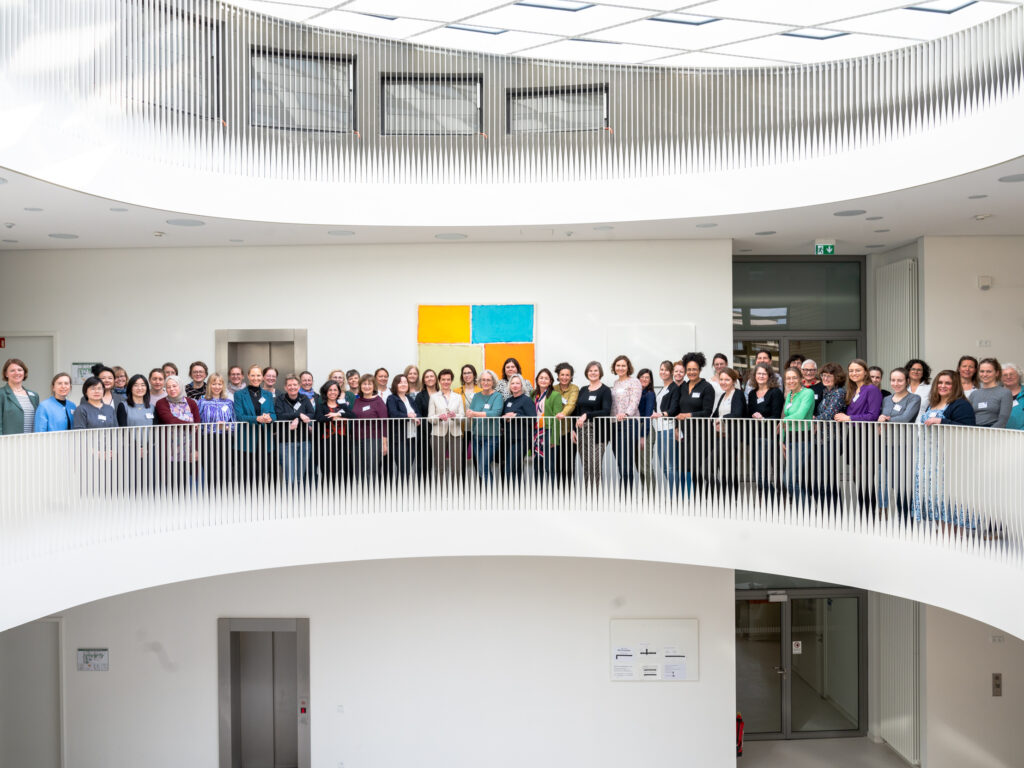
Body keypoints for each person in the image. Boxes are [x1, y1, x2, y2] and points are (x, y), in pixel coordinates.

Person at [913, 370, 976, 526]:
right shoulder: (932, 403)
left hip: (948, 458)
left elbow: (968, 429)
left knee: (949, 495)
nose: (943, 386)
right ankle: (940, 533)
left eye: (948, 383)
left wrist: (942, 422)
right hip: (928, 458)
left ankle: (954, 536)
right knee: (934, 495)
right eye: (940, 382)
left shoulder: (961, 404)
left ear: (955, 386)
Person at [877, 367, 921, 515]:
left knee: (903, 481)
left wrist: (885, 420)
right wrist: (882, 419)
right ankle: (892, 513)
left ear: (907, 381)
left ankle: (906, 516)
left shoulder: (914, 398)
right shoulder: (886, 399)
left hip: (904, 444)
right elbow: (882, 417)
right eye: (893, 380)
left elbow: (905, 418)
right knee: (889, 481)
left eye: (900, 380)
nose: (896, 383)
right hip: (886, 444)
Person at [674, 352, 716, 493]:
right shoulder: (683, 387)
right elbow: (678, 410)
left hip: (701, 435)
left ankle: (705, 498)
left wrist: (688, 415)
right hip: (686, 434)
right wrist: (676, 427)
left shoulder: (706, 387)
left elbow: (707, 412)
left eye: (694, 369)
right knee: (688, 468)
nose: (691, 372)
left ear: (700, 369)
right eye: (689, 369)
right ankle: (693, 498)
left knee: (699, 469)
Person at [233, 364, 277, 484]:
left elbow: (274, 414)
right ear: (248, 376)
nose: (255, 378)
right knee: (248, 473)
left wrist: (269, 418)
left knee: (263, 472)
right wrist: (257, 419)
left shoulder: (268, 394)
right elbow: (240, 416)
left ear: (262, 377)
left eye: (258, 375)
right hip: (247, 438)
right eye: (253, 375)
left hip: (265, 438)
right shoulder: (239, 394)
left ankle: (263, 495)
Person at [746, 362, 783, 498]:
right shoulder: (752, 394)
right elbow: (748, 414)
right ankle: (770, 497)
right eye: (759, 373)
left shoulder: (775, 392)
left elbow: (776, 415)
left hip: (769, 437)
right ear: (754, 376)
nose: (761, 376)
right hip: (755, 437)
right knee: (756, 470)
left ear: (769, 376)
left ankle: (773, 497)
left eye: (764, 374)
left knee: (764, 471)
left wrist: (763, 418)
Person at [572, 361, 612, 488]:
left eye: (595, 370)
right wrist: (573, 430)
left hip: (598, 432)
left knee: (594, 465)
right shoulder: (583, 389)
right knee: (586, 465)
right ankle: (588, 495)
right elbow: (577, 411)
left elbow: (606, 411)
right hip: (581, 431)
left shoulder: (605, 390)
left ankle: (596, 496)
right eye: (590, 371)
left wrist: (587, 415)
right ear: (586, 373)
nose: (593, 373)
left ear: (600, 373)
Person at [812, 362, 847, 507]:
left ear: (837, 377)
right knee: (821, 476)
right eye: (823, 375)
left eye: (829, 376)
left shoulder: (839, 392)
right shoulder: (826, 392)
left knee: (826, 476)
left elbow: (829, 414)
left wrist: (812, 420)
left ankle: (833, 509)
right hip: (820, 439)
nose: (825, 378)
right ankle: (827, 508)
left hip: (831, 439)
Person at [274, 375, 316, 486]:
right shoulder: (280, 399)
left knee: (300, 475)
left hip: (304, 442)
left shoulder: (304, 399)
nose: (292, 387)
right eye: (289, 385)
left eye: (295, 385)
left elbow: (311, 414)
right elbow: (279, 416)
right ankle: (289, 496)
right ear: (285, 387)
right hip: (286, 442)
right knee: (290, 476)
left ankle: (299, 496)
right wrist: (299, 415)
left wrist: (298, 418)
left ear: (299, 386)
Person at [608, 355, 642, 492]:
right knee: (620, 461)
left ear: (628, 367)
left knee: (626, 461)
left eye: (623, 365)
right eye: (618, 365)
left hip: (628, 423)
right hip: (614, 424)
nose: (620, 368)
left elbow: (635, 402)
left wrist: (626, 414)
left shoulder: (634, 382)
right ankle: (624, 493)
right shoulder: (616, 383)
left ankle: (627, 495)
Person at [781, 367, 815, 499]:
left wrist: (783, 421)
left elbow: (800, 415)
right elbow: (786, 419)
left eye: (794, 377)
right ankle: (804, 507)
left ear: (801, 379)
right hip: (790, 440)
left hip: (802, 440)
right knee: (792, 479)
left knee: (788, 479)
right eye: (788, 378)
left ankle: (806, 507)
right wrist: (782, 441)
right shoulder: (790, 395)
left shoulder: (808, 393)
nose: (791, 381)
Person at [197, 373, 236, 488]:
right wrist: (214, 427)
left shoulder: (229, 403)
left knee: (226, 468)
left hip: (226, 439)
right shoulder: (202, 402)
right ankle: (211, 495)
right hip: (208, 440)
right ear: (209, 385)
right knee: (210, 469)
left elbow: (235, 424)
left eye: (219, 384)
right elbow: (198, 423)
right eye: (214, 384)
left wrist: (226, 427)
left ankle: (225, 494)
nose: (217, 387)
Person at [711, 367, 746, 496]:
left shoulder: (738, 394)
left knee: (727, 470)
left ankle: (732, 499)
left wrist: (721, 419)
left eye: (727, 379)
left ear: (733, 381)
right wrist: (715, 422)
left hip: (731, 438)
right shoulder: (723, 395)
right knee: (724, 470)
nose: (723, 382)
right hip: (720, 437)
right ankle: (726, 498)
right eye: (721, 379)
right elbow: (715, 415)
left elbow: (737, 413)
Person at [428, 369, 465, 488]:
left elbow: (462, 416)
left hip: (456, 434)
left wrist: (455, 416)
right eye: (443, 379)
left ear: (451, 380)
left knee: (457, 465)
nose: (446, 382)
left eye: (448, 379)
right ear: (439, 381)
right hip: (438, 434)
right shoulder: (434, 397)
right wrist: (439, 417)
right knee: (439, 465)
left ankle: (456, 491)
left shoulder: (458, 397)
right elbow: (430, 418)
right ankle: (440, 491)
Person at [466, 369, 504, 484]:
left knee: (483, 465)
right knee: (481, 467)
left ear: (493, 382)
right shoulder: (477, 396)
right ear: (480, 382)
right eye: (483, 380)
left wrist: (475, 413)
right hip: (476, 436)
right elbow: (470, 412)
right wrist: (470, 413)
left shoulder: (497, 396)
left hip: (491, 437)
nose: (485, 382)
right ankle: (487, 492)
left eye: (488, 380)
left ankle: (490, 493)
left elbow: (495, 413)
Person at [314, 380, 353, 487]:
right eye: (330, 390)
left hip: (343, 442)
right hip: (326, 442)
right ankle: (327, 493)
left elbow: (352, 415)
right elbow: (319, 418)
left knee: (342, 468)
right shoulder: (321, 405)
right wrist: (332, 418)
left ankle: (342, 493)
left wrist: (338, 415)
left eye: (335, 390)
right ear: (326, 392)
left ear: (339, 392)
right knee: (327, 468)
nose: (332, 392)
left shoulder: (342, 406)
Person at [350, 373, 388, 484]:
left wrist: (384, 444)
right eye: (364, 384)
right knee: (358, 469)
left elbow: (384, 423)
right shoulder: (357, 401)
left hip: (373, 440)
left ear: (374, 386)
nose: (367, 386)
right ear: (360, 386)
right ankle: (360, 492)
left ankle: (372, 493)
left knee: (371, 470)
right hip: (356, 441)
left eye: (369, 384)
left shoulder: (378, 401)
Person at [651, 360, 680, 493]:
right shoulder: (663, 389)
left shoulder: (674, 388)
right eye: (661, 369)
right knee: (663, 465)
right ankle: (673, 493)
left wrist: (662, 414)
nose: (663, 372)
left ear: (671, 372)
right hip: (659, 429)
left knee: (670, 466)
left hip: (668, 428)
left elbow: (674, 408)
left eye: (666, 370)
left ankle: (675, 496)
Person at [550, 362, 579, 488]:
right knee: (556, 463)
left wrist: (563, 413)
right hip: (554, 431)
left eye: (567, 375)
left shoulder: (574, 388)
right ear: (558, 375)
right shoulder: (553, 388)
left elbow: (571, 404)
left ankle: (569, 491)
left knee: (568, 462)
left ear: (571, 376)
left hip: (568, 430)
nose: (564, 377)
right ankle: (558, 491)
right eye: (562, 374)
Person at [501, 374, 534, 485]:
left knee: (509, 467)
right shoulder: (508, 401)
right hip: (508, 439)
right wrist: (505, 418)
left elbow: (532, 419)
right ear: (509, 386)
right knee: (517, 468)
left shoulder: (526, 400)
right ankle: (519, 492)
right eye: (512, 383)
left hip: (521, 439)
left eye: (517, 383)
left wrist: (516, 416)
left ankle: (509, 492)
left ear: (522, 385)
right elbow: (503, 418)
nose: (515, 385)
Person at [386, 374, 420, 481]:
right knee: (403, 468)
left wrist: (417, 418)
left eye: (405, 382)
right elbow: (393, 414)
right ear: (395, 384)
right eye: (400, 382)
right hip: (399, 438)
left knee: (408, 468)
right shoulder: (392, 398)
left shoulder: (409, 399)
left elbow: (417, 413)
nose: (403, 384)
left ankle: (404, 489)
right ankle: (399, 490)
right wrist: (407, 415)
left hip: (412, 437)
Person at [1, 357, 40, 434]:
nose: (17, 373)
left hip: (31, 439)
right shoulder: (2, 394)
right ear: (6, 374)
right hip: (11, 440)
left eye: (20, 370)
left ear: (24, 373)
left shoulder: (34, 396)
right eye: (12, 370)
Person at [532, 368, 557, 483]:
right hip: (536, 433)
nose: (543, 380)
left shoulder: (555, 395)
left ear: (550, 381)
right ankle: (539, 490)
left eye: (546, 378)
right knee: (537, 463)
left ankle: (552, 490)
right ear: (537, 380)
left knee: (549, 464)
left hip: (548, 431)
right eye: (541, 378)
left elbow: (557, 417)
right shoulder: (533, 394)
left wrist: (554, 438)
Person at [971, 358, 1011, 428]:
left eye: (989, 371)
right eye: (982, 371)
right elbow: (969, 417)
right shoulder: (974, 394)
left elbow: (1003, 420)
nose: (985, 374)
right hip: (974, 431)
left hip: (994, 432)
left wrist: (988, 432)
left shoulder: (1005, 393)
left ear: (997, 373)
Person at [413, 369, 438, 481]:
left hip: (440, 431)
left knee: (439, 462)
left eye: (431, 376)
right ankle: (423, 486)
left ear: (436, 378)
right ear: (423, 380)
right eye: (427, 377)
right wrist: (427, 431)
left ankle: (438, 486)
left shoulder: (442, 393)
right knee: (424, 462)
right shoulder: (420, 396)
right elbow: (418, 414)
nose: (429, 378)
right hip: (424, 433)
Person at [635, 368, 657, 490]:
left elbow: (648, 415)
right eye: (642, 377)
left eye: (647, 377)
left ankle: (652, 496)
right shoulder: (636, 393)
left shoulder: (649, 394)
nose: (644, 379)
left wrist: (643, 435)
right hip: (636, 430)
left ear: (650, 380)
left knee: (645, 466)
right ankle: (646, 495)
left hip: (645, 430)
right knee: (639, 466)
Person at [1001, 362, 1024, 430]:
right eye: (1005, 375)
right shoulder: (995, 394)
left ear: (1019, 376)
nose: (1008, 377)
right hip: (999, 434)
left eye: (1012, 374)